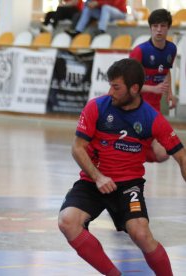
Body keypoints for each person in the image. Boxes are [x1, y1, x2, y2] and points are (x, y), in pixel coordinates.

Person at [58, 58, 185, 276]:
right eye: (109, 85)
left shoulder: (152, 118)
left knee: (141, 233)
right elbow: (77, 148)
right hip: (92, 181)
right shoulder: (96, 107)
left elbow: (182, 156)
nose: (110, 92)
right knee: (67, 221)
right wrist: (98, 177)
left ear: (134, 89)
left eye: (116, 87)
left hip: (129, 186)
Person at [130, 8, 177, 163]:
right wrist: (152, 88)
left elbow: (166, 72)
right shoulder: (140, 51)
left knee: (164, 154)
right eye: (155, 26)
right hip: (136, 108)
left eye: (163, 26)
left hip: (154, 109)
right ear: (150, 27)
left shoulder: (171, 49)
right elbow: (129, 83)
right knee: (130, 146)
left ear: (168, 28)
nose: (159, 30)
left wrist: (170, 93)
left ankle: (136, 154)